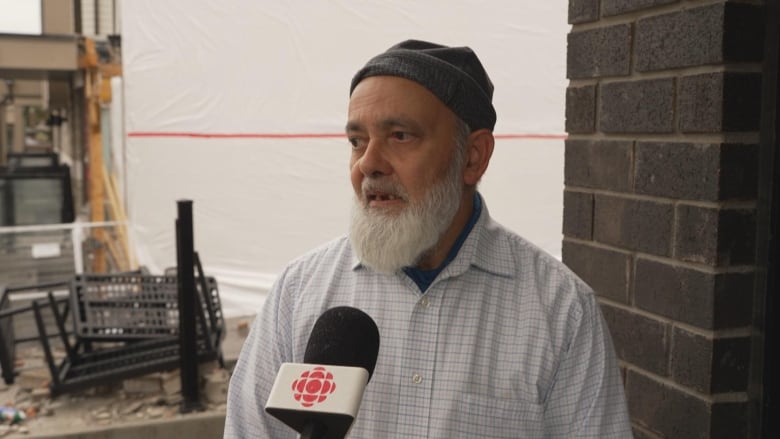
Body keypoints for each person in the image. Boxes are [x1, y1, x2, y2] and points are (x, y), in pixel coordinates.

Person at [224, 39, 632, 438]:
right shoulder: (299, 292)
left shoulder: (560, 311)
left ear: (473, 157)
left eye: (400, 135)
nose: (368, 163)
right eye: (356, 141)